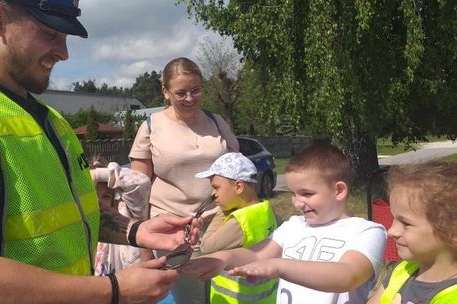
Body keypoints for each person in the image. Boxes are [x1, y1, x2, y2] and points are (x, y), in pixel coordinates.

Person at [0, 1, 201, 304]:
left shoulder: (52, 121)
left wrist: (138, 231)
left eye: (65, 37)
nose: (63, 52)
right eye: (50, 33)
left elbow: (72, 216)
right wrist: (114, 289)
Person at [182, 143, 387, 304]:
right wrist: (221, 258)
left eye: (307, 194)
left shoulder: (367, 231)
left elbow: (347, 276)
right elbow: (255, 254)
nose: (297, 203)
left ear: (339, 190)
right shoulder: (293, 226)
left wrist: (279, 266)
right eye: (293, 194)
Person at [129, 57, 240, 303]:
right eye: (180, 93)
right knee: (191, 300)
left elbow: (238, 172)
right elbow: (136, 194)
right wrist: (144, 248)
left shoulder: (217, 122)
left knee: (227, 297)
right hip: (174, 235)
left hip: (223, 227)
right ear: (165, 91)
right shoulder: (151, 127)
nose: (189, 98)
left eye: (195, 90)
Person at [367, 160, 457, 304]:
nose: (391, 231)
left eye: (406, 223)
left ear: (453, 231)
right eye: (394, 219)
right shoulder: (403, 271)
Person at [195, 152, 278, 303]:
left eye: (216, 188)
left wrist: (222, 211)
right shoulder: (265, 209)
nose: (213, 194)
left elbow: (206, 247)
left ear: (238, 186)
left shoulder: (239, 222)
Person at [91, 161, 151, 275]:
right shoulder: (77, 224)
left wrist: (97, 174)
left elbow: (141, 183)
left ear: (113, 200)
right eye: (93, 195)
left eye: (106, 196)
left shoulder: (121, 217)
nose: (98, 202)